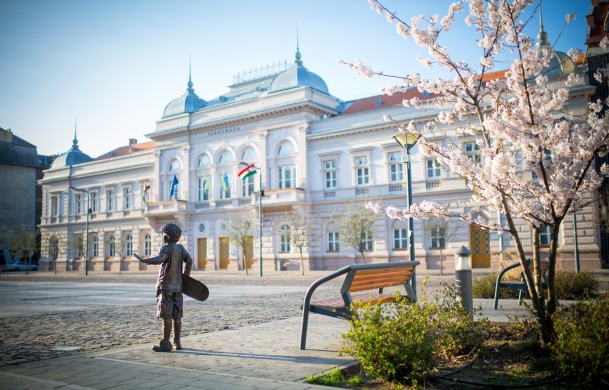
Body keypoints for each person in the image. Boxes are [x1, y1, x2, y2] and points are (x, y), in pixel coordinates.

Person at [134, 223, 193, 352]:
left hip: (166, 287)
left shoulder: (166, 249)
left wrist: (145, 261)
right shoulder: (180, 248)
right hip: (178, 288)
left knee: (167, 316)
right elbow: (189, 261)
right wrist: (184, 278)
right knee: (177, 316)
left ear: (166, 236)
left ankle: (166, 343)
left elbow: (160, 259)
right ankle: (177, 342)